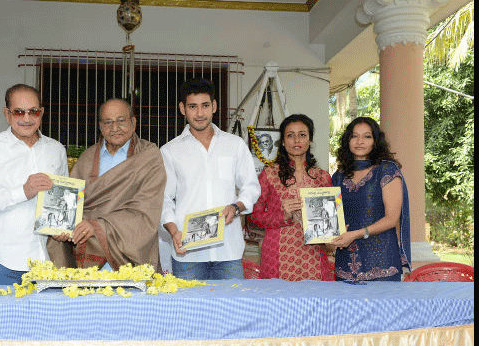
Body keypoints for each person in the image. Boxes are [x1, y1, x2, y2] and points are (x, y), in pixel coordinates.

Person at [0, 84, 68, 285]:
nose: (27, 118)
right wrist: (22, 191)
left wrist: (63, 228)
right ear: (7, 114)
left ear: (42, 112)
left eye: (34, 111)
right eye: (19, 112)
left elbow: (61, 198)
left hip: (43, 262)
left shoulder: (56, 149)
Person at [160, 77, 260, 280]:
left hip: (228, 253)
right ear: (182, 109)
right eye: (192, 106)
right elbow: (163, 198)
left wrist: (237, 206)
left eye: (205, 105)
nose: (199, 113)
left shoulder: (235, 145)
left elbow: (251, 186)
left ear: (214, 106)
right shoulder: (170, 151)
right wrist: (173, 231)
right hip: (188, 253)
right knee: (188, 312)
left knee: (232, 311)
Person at [48, 98, 166, 271]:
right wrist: (61, 227)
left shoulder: (148, 156)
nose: (115, 128)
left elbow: (147, 209)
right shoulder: (86, 159)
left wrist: (98, 226)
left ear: (133, 123)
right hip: (89, 255)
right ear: (100, 126)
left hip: (130, 253)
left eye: (121, 120)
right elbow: (70, 205)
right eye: (108, 122)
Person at [247, 114, 333, 281]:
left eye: (302, 135)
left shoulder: (322, 177)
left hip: (313, 253)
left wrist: (333, 233)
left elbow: (329, 225)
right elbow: (252, 217)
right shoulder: (269, 174)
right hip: (278, 252)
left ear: (310, 139)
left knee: (314, 302)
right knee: (279, 303)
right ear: (283, 141)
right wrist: (282, 216)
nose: (296, 140)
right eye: (290, 135)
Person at [328, 116, 411, 282]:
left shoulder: (386, 170)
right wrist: (331, 238)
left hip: (382, 263)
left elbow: (391, 219)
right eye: (354, 136)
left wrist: (356, 234)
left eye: (367, 136)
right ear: (347, 140)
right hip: (345, 264)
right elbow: (333, 219)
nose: (360, 141)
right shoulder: (338, 176)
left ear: (375, 141)